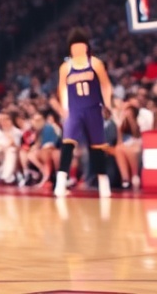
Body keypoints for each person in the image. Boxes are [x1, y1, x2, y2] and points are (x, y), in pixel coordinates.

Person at [54, 27, 115, 198]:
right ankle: (60, 184)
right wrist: (64, 108)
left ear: (87, 46)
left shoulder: (95, 63)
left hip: (93, 108)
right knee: (68, 144)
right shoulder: (65, 67)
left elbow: (105, 85)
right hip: (74, 110)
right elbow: (62, 88)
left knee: (97, 146)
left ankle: (104, 185)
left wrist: (107, 104)